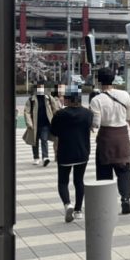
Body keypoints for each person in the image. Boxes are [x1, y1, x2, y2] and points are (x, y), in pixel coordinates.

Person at [90, 67, 130, 215]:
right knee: (124, 170)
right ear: (113, 79)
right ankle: (125, 199)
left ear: (99, 81)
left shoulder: (96, 100)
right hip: (122, 136)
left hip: (106, 137)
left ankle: (107, 203)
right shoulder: (124, 95)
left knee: (104, 171)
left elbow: (96, 123)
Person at [49, 89, 93, 222]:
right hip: (82, 151)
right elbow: (90, 127)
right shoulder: (87, 113)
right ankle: (79, 210)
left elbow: (54, 131)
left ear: (67, 99)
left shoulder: (60, 114)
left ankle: (68, 204)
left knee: (63, 181)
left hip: (65, 151)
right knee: (79, 180)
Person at [23, 81, 59, 167]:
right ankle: (36, 157)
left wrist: (56, 120)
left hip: (45, 124)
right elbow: (26, 112)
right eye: (39, 87)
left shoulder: (49, 98)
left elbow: (55, 109)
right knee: (34, 141)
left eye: (42, 87)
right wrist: (29, 123)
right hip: (34, 124)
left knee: (44, 140)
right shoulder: (31, 99)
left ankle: (45, 157)